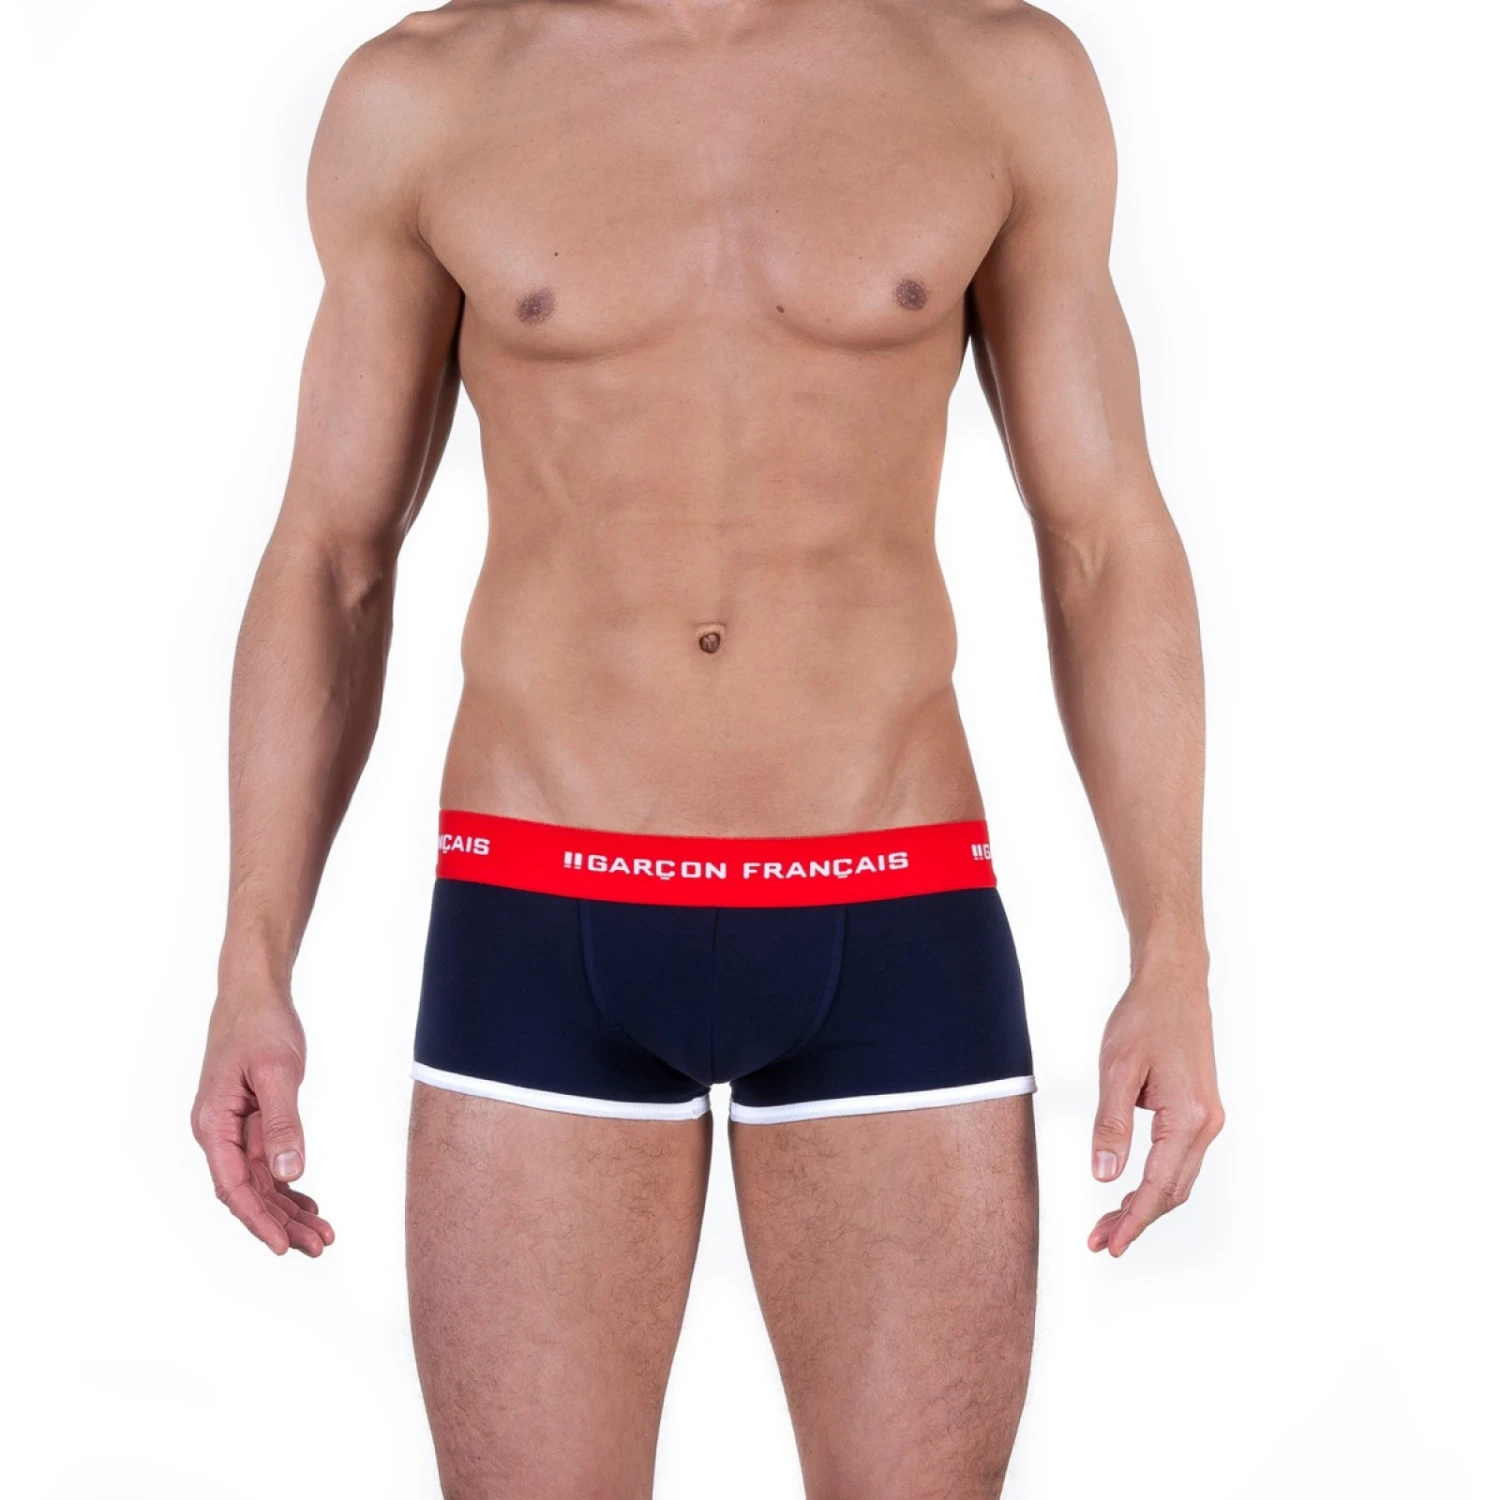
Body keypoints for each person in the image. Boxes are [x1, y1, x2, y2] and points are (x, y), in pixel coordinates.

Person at [192, 1, 1224, 1492]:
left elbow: (1104, 540)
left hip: (894, 902)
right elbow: (332, 556)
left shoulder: (994, 73)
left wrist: (1173, 948)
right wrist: (252, 961)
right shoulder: (429, 93)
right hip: (540, 906)